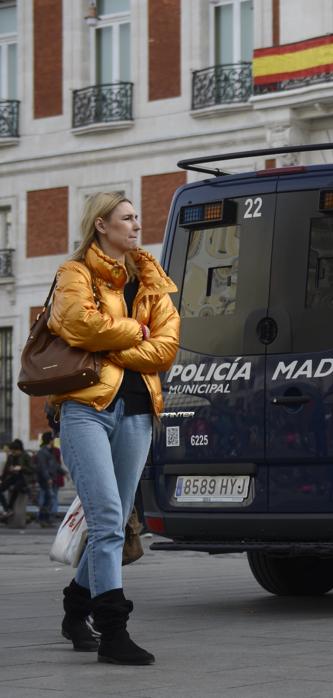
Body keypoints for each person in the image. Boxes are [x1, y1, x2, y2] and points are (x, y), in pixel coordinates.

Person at [47, 191, 180, 665]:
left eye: (137, 217)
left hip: (140, 411)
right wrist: (135, 332)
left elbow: (165, 349)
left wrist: (113, 342)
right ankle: (113, 632)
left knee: (115, 522)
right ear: (101, 225)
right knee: (106, 521)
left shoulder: (150, 278)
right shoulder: (74, 273)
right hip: (86, 409)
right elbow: (78, 325)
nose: (136, 225)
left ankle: (74, 609)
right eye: (126, 218)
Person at [2, 441, 35, 528]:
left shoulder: (26, 456)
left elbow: (32, 469)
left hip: (23, 478)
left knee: (16, 488)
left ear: (19, 450)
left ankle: (10, 509)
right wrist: (2, 479)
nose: (12, 453)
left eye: (14, 452)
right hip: (13, 477)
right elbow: (6, 470)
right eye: (11, 452)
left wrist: (21, 468)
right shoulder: (11, 457)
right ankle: (7, 509)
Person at [35, 432, 60, 527]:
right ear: (50, 440)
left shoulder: (51, 451)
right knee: (48, 499)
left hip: (51, 479)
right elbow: (43, 467)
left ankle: (46, 519)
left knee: (49, 500)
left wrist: (63, 472)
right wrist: (48, 478)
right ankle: (43, 519)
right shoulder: (42, 452)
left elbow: (55, 465)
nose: (54, 441)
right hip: (45, 480)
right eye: (53, 439)